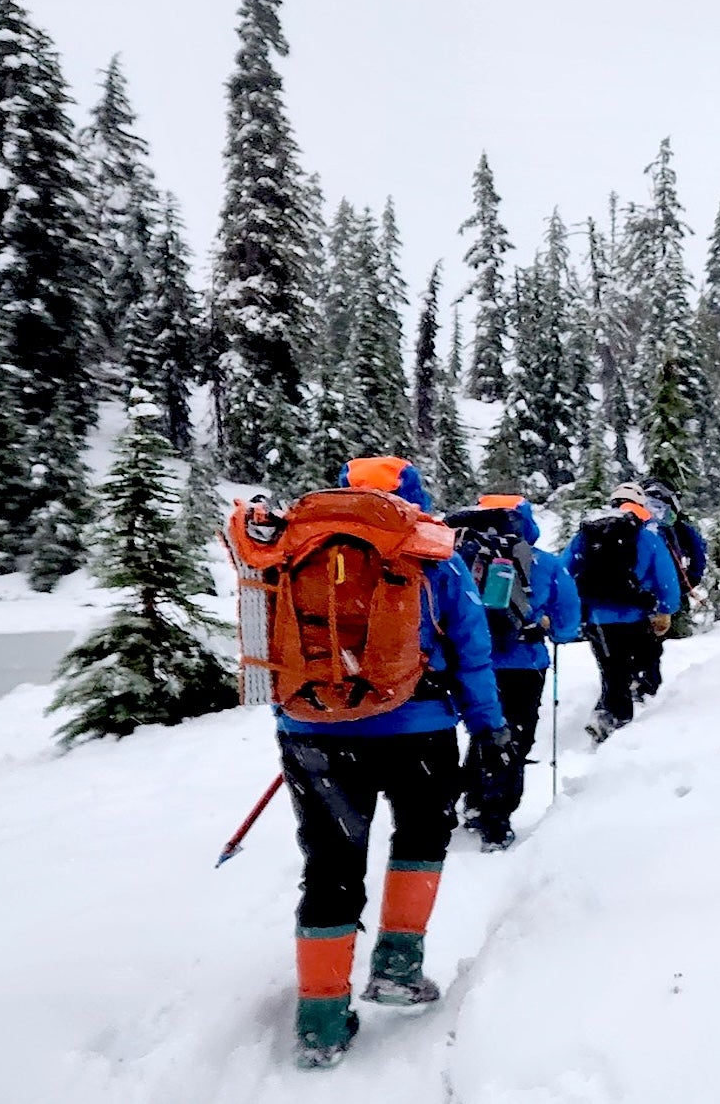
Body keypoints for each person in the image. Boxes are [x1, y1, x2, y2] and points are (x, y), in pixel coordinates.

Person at [274, 457, 507, 1071]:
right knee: (421, 837)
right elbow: (471, 647)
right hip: (417, 729)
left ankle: (321, 1021)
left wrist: (302, 713)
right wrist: (487, 724)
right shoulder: (430, 550)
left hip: (314, 730)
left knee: (330, 863)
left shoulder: (294, 545)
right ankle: (398, 968)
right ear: (412, 493)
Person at [448, 488, 581, 849]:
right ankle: (495, 818)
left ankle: (470, 802)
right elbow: (569, 624)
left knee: (482, 731)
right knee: (514, 740)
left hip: (471, 663)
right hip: (524, 666)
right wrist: (550, 627)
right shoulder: (545, 565)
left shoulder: (458, 561)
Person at [563, 482, 682, 741]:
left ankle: (608, 715)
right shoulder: (647, 535)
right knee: (642, 667)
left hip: (597, 619)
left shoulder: (586, 535)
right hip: (635, 616)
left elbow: (564, 572)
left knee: (611, 671)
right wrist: (666, 610)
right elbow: (666, 578)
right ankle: (620, 727)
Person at [638, 479, 708, 680]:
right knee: (657, 641)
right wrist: (688, 583)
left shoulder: (638, 526)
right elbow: (698, 553)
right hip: (669, 589)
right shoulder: (676, 526)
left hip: (633, 593)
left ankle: (634, 685)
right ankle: (648, 684)